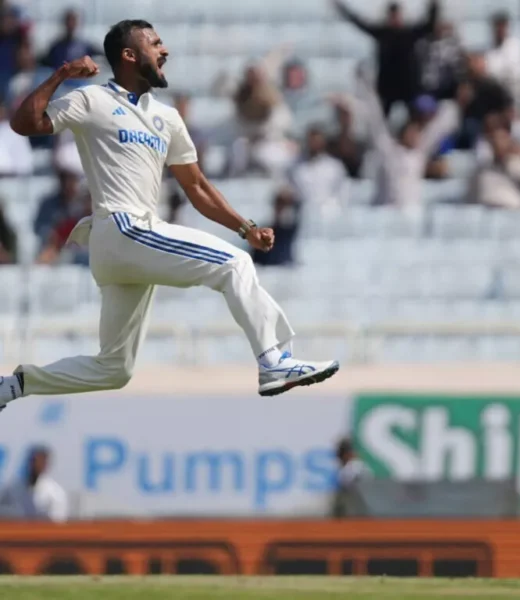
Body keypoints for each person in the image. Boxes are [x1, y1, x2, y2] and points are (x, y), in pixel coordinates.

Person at [0, 20, 339, 408]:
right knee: (234, 265)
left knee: (114, 369)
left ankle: (12, 386)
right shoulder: (93, 99)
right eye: (155, 43)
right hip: (121, 227)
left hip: (124, 250)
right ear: (129, 55)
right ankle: (274, 361)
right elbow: (24, 123)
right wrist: (61, 74)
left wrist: (246, 227)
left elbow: (196, 187)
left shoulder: (168, 117)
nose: (165, 51)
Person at [351, 71, 466, 207]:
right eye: (410, 131)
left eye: (417, 131)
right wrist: (366, 88)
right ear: (402, 132)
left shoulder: (419, 152)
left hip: (411, 218)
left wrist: (459, 102)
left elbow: (443, 122)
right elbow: (375, 122)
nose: (414, 136)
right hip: (386, 214)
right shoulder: (388, 149)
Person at [333, 0, 439, 116]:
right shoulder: (382, 33)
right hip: (387, 88)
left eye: (396, 15)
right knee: (381, 120)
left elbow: (428, 25)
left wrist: (433, 5)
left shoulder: (409, 33)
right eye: (392, 16)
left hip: (408, 87)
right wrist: (341, 7)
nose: (394, 18)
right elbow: (358, 22)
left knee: (414, 118)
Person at [468, 124, 520, 209]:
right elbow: (473, 197)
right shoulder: (483, 169)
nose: (498, 143)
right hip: (487, 213)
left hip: (514, 212)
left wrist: (517, 162)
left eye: (503, 139)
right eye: (494, 139)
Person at [0, 446, 68, 522]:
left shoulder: (55, 493)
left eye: (41, 462)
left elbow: (57, 522)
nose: (37, 465)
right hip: (17, 531)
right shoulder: (13, 488)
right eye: (34, 461)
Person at [485, 11, 520, 111]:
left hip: (518, 99)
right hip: (496, 101)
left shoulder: (518, 47)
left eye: (502, 26)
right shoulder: (489, 51)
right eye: (497, 26)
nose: (499, 30)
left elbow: (518, 74)